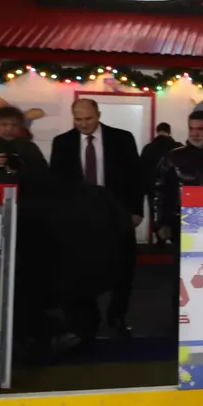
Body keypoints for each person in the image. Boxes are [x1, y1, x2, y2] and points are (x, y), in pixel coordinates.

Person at [49, 99, 143, 334]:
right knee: (81, 269)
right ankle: (87, 320)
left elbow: (136, 176)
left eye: (88, 118)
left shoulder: (122, 139)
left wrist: (136, 210)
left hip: (117, 213)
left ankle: (117, 315)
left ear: (98, 114)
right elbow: (56, 183)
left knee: (124, 267)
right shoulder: (62, 143)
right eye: (78, 119)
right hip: (78, 217)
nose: (83, 124)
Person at [151, 112, 203, 243]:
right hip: (180, 226)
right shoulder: (173, 157)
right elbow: (160, 192)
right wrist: (161, 223)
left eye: (200, 129)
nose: (195, 134)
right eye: (191, 128)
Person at [140, 123, 182, 239]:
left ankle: (159, 239)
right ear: (169, 132)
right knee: (174, 213)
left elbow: (141, 169)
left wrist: (143, 188)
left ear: (156, 131)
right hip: (174, 189)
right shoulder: (178, 147)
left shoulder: (148, 148)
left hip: (152, 188)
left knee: (155, 213)